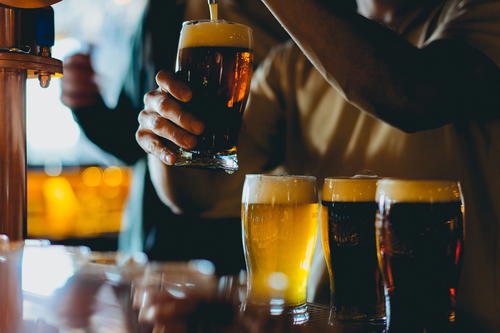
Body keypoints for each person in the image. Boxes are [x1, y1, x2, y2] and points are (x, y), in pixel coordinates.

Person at [136, 0, 500, 332]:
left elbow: (414, 94)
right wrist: (174, 139)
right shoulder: (291, 65)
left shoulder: (482, 13)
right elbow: (198, 194)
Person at [61, 0, 288, 273]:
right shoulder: (162, 9)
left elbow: (293, 130)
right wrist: (87, 107)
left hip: (238, 232)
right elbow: (134, 137)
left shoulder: (284, 17)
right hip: (155, 231)